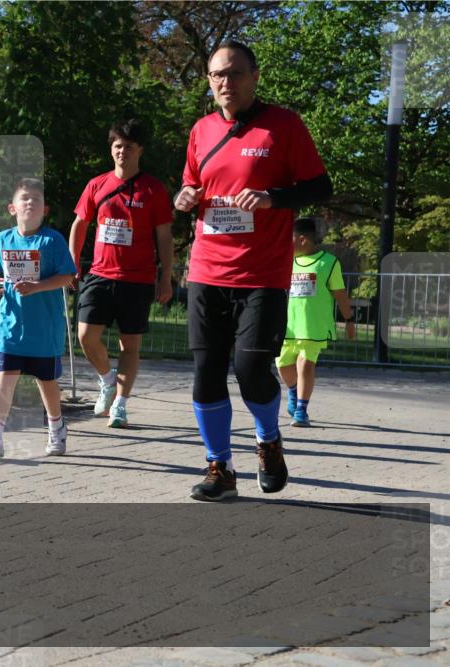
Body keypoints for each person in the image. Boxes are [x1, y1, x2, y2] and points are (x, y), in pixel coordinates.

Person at [174, 40, 333, 501]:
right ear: (209, 81)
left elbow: (320, 186)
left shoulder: (284, 125)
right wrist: (183, 196)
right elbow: (191, 184)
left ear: (255, 76)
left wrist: (272, 198)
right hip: (207, 270)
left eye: (235, 73)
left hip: (261, 275)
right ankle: (219, 467)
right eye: (217, 75)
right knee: (206, 371)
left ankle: (268, 439)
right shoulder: (202, 130)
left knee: (250, 369)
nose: (226, 82)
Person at [69, 119, 174, 428]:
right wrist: (72, 262)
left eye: (129, 147)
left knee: (130, 345)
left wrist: (165, 277)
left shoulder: (153, 189)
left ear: (140, 150)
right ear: (111, 149)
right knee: (86, 336)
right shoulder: (97, 184)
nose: (122, 152)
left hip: (137, 279)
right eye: (117, 146)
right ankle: (107, 379)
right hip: (100, 275)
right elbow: (79, 225)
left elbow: (164, 236)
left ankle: (120, 404)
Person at [0, 178, 77, 459]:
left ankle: (56, 428)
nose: (30, 202)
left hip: (44, 329)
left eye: (37, 199)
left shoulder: (52, 240)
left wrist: (37, 286)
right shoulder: (0, 241)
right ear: (12, 208)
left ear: (45, 210)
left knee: (46, 381)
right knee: (5, 378)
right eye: (25, 198)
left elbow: (68, 276)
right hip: (10, 326)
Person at [276, 217, 355, 427]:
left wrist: (349, 320)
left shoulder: (328, 263)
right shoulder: (286, 261)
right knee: (283, 365)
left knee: (305, 365)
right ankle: (294, 392)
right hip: (287, 327)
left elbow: (340, 294)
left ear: (302, 239)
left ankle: (301, 411)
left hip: (313, 327)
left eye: (289, 239)